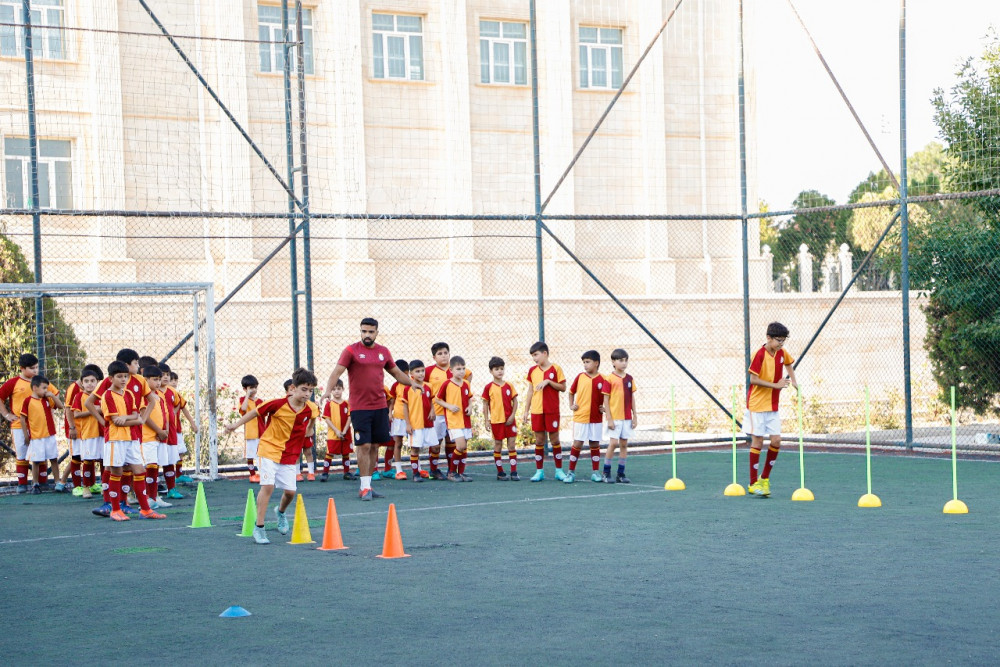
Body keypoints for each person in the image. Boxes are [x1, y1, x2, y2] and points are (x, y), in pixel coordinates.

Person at [320, 318, 412, 501]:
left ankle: (368, 485)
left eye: (371, 332)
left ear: (377, 332)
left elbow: (396, 373)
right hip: (359, 408)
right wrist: (327, 392)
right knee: (364, 445)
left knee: (375, 446)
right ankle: (363, 487)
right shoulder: (351, 350)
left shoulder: (383, 352)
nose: (367, 335)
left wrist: (414, 384)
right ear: (360, 331)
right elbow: (336, 372)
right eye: (364, 331)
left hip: (380, 406)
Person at [224, 368, 318, 544]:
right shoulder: (277, 404)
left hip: (290, 455)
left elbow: (313, 419)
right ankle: (259, 528)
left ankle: (280, 512)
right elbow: (254, 412)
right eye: (304, 389)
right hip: (269, 449)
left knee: (290, 492)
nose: (307, 394)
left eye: (311, 390)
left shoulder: (311, 409)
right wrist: (235, 425)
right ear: (293, 388)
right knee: (268, 487)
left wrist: (310, 428)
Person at [100, 360, 165, 521]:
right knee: (117, 472)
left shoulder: (128, 394)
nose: (123, 380)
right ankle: (115, 509)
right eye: (119, 377)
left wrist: (129, 418)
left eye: (125, 377)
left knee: (139, 471)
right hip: (116, 439)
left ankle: (145, 509)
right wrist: (134, 420)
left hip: (132, 439)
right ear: (110, 378)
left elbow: (136, 415)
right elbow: (115, 421)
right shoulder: (107, 395)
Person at [746, 322, 798, 498]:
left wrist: (794, 380)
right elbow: (753, 379)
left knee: (776, 441)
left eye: (783, 341)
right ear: (768, 338)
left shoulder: (781, 352)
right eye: (778, 341)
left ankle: (765, 479)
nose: (781, 344)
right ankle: (753, 483)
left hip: (772, 406)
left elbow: (789, 363)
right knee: (758, 442)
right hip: (757, 406)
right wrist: (775, 385)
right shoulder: (759, 354)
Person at [520, 341, 567, 482]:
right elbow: (530, 391)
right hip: (537, 410)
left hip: (552, 410)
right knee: (539, 440)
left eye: (536, 355)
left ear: (544, 353)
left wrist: (549, 382)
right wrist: (526, 411)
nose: (534, 359)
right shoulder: (532, 371)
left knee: (555, 440)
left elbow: (563, 387)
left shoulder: (556, 369)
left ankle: (559, 470)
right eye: (532, 356)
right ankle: (539, 471)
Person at [0, 353, 44, 493]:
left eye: (37, 367)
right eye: (32, 368)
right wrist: (6, 414)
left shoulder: (39, 382)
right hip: (19, 425)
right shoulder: (13, 383)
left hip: (38, 425)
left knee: (41, 453)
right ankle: (22, 484)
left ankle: (42, 483)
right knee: (22, 454)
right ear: (22, 368)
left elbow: (52, 395)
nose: (35, 371)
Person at [567, 350, 609, 484]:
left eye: (588, 362)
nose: (585, 365)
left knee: (594, 443)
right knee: (577, 443)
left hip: (595, 418)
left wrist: (605, 408)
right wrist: (571, 405)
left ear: (596, 363)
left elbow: (608, 397)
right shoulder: (580, 377)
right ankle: (570, 472)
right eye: (584, 362)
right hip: (581, 417)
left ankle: (595, 472)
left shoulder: (603, 379)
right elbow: (571, 392)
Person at [20, 376, 64, 494]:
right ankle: (35, 484)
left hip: (50, 435)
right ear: (35, 388)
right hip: (36, 437)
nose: (46, 390)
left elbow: (60, 406)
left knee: (54, 458)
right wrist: (26, 435)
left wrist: (53, 396)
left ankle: (57, 483)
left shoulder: (47, 399)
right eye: (44, 388)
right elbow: (22, 418)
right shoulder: (28, 401)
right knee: (36, 461)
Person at [434, 356, 475, 482]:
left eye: (463, 368)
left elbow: (469, 398)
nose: (462, 371)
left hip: (465, 420)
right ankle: (451, 472)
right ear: (451, 370)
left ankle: (461, 472)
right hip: (454, 421)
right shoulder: (447, 384)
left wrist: (470, 406)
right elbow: (437, 399)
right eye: (458, 369)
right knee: (460, 445)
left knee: (464, 447)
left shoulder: (466, 383)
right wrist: (449, 406)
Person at [603, 348, 638, 484]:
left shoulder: (629, 379)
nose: (624, 363)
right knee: (613, 443)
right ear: (613, 362)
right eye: (620, 360)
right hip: (615, 417)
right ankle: (606, 472)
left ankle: (621, 473)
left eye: (625, 360)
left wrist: (635, 416)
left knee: (624, 444)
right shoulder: (609, 379)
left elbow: (632, 398)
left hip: (627, 418)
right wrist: (609, 418)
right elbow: (606, 399)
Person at [481, 356, 519, 481]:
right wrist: (487, 420)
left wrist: (512, 415)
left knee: (512, 445)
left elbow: (515, 401)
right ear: (491, 371)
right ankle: (500, 472)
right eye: (496, 369)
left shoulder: (509, 385)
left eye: (501, 368)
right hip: (497, 421)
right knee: (498, 444)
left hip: (510, 420)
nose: (500, 371)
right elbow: (485, 404)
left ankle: (514, 472)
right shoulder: (488, 387)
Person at [139, 365, 171, 510]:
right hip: (148, 437)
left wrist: (165, 431)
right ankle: (147, 498)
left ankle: (154, 496)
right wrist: (158, 430)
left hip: (160, 437)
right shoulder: (144, 397)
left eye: (159, 380)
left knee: (156, 467)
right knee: (150, 466)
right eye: (155, 379)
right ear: (146, 380)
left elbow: (166, 414)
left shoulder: (161, 395)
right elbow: (144, 416)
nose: (158, 383)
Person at [70, 368, 104, 499]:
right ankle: (86, 487)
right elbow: (76, 414)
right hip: (89, 433)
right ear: (82, 383)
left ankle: (104, 486)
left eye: (92, 381)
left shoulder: (102, 396)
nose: (90, 384)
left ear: (97, 382)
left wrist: (101, 409)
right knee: (88, 461)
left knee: (104, 461)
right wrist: (93, 410)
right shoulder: (79, 396)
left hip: (103, 433)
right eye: (86, 381)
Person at [401, 360, 435, 481]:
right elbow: (404, 406)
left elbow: (431, 401)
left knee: (435, 446)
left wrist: (432, 410)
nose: (421, 374)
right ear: (411, 374)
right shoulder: (407, 388)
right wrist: (408, 424)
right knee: (415, 448)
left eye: (422, 371)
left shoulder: (429, 386)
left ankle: (434, 470)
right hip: (416, 424)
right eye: (417, 371)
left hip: (428, 423)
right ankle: (415, 473)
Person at [321, 379, 353, 481]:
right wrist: (336, 431)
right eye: (334, 389)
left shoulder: (347, 403)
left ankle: (346, 472)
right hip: (333, 433)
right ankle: (325, 473)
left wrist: (344, 431)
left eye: (338, 389)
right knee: (330, 452)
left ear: (343, 389)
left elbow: (349, 417)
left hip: (345, 433)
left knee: (346, 452)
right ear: (330, 391)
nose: (336, 391)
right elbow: (327, 419)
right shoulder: (329, 404)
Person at [387, 359, 410, 480]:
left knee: (415, 444)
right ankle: (399, 470)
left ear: (407, 372)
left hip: (412, 418)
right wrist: (390, 412)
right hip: (399, 418)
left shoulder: (412, 384)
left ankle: (418, 468)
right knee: (398, 442)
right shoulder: (395, 386)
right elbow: (392, 400)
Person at [239, 375, 264, 482]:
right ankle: (252, 475)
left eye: (255, 387)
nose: (253, 390)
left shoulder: (260, 401)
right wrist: (247, 396)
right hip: (251, 432)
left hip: (262, 431)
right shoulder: (242, 400)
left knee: (262, 453)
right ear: (245, 389)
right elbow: (243, 409)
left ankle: (263, 473)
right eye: (250, 388)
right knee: (250, 454)